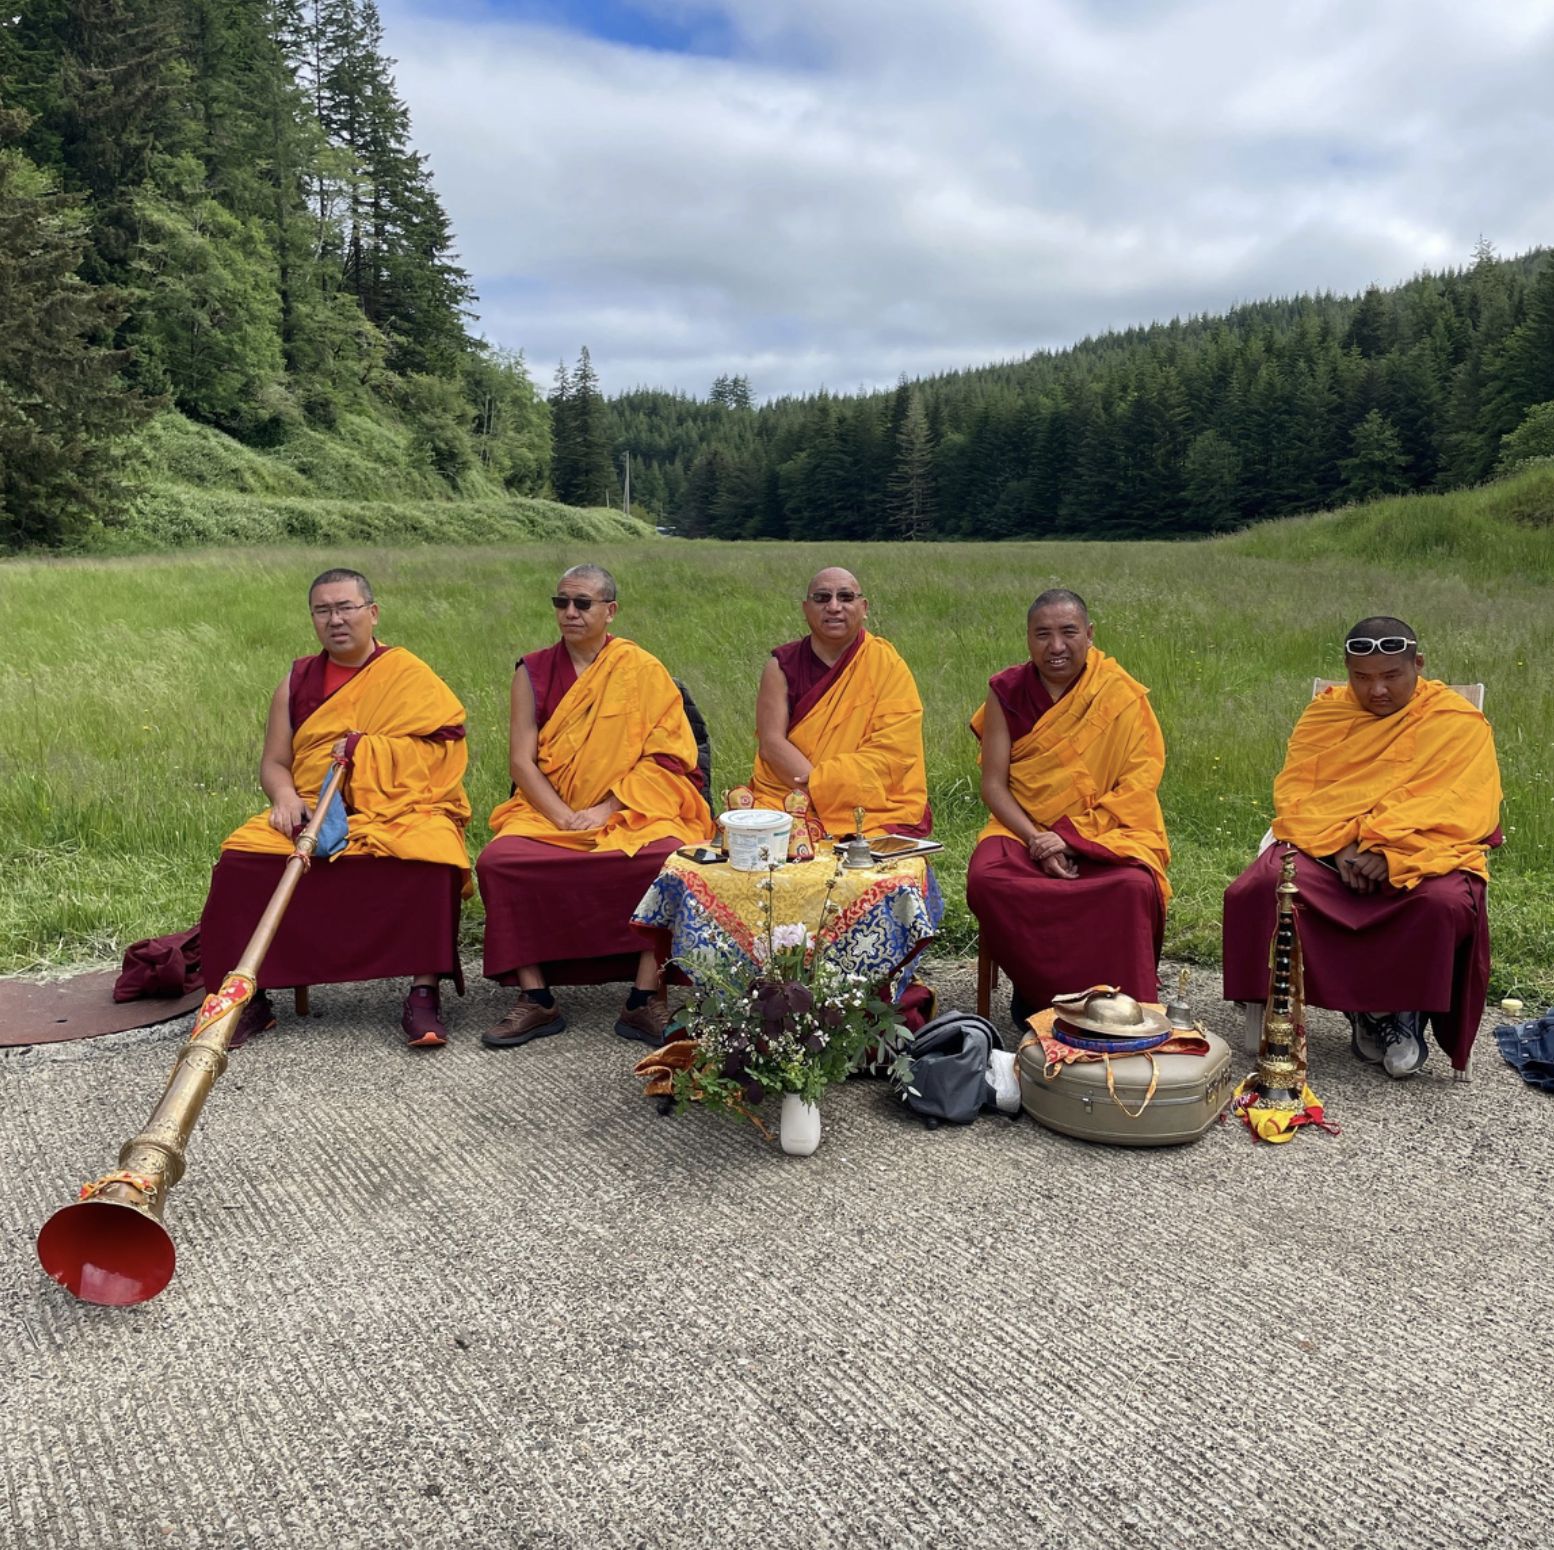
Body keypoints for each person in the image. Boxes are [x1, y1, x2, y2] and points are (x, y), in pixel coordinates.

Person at [201, 568, 472, 1048]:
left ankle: (423, 992)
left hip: (398, 810)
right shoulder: (296, 681)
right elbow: (275, 763)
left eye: (345, 607)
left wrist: (366, 752)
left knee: (434, 857)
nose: (335, 620)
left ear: (372, 613)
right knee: (238, 863)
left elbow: (443, 747)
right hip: (312, 808)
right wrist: (285, 799)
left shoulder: (406, 675)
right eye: (322, 610)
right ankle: (249, 1000)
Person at [1222, 617, 1503, 1079]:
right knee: (1265, 887)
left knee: (1443, 903)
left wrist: (1388, 850)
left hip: (1422, 856)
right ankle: (1363, 1013)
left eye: (1391, 676)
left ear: (1418, 665)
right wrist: (1339, 850)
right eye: (1361, 677)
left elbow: (1464, 805)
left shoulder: (1456, 721)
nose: (1376, 691)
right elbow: (1297, 796)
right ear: (1347, 671)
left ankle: (1399, 1012)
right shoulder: (1326, 715)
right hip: (1332, 850)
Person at [477, 564, 714, 1050]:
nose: (569, 613)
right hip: (548, 808)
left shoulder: (642, 670)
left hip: (631, 808)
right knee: (498, 862)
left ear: (610, 610)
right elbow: (521, 762)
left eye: (582, 603)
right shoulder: (533, 671)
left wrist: (607, 809)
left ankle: (645, 999)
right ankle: (536, 999)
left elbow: (668, 757)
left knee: (670, 861)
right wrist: (563, 816)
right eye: (561, 603)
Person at [965, 589, 1171, 1025]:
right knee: (988, 879)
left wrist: (1073, 838)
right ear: (1027, 639)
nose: (1055, 646)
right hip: (1023, 827)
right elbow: (994, 787)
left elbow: (1138, 783)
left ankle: (1119, 1006)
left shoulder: (1119, 694)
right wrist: (1038, 838)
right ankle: (1037, 992)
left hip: (1103, 830)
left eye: (1068, 632)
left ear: (1090, 634)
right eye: (1042, 634)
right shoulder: (1006, 692)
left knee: (1132, 887)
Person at [748, 566, 930, 836]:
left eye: (845, 597)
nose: (834, 607)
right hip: (790, 797)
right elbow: (771, 744)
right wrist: (820, 790)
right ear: (806, 608)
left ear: (863, 606)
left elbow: (895, 752)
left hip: (869, 807)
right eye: (822, 598)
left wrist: (825, 788)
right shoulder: (780, 667)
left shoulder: (887, 664)